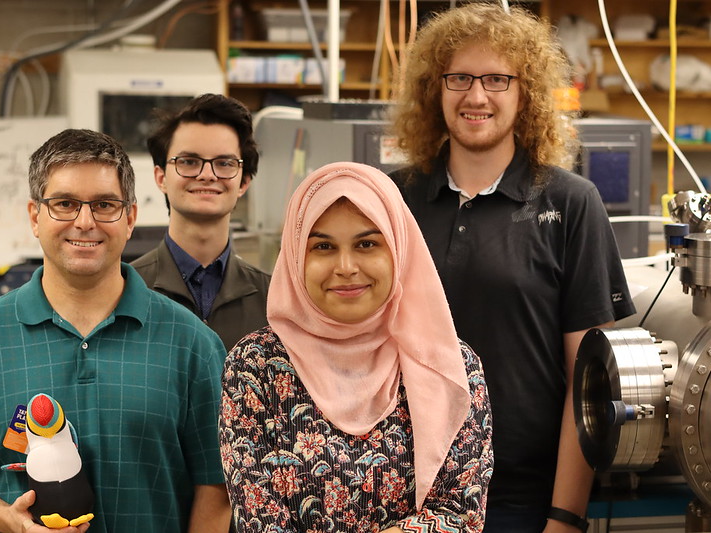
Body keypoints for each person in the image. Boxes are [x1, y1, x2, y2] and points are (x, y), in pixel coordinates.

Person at [390, 4, 636, 533]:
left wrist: (565, 516)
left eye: (498, 79)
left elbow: (587, 379)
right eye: (459, 78)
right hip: (396, 491)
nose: (476, 96)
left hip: (519, 500)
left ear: (525, 93)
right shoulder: (392, 199)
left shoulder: (571, 204)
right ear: (436, 89)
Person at [0, 129, 231, 533]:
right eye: (64, 204)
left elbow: (217, 487)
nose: (85, 222)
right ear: (34, 216)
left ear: (130, 218)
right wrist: (9, 521)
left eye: (104, 205)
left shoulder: (193, 345)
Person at [219, 162, 493, 532]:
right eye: (323, 246)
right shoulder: (255, 366)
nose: (346, 266)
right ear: (297, 255)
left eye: (367, 244)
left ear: (398, 247)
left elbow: (461, 514)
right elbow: (261, 521)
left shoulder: (450, 364)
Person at [131, 93, 270, 352]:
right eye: (189, 162)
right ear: (160, 177)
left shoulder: (273, 300)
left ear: (244, 182)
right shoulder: (125, 290)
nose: (207, 175)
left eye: (224, 163)